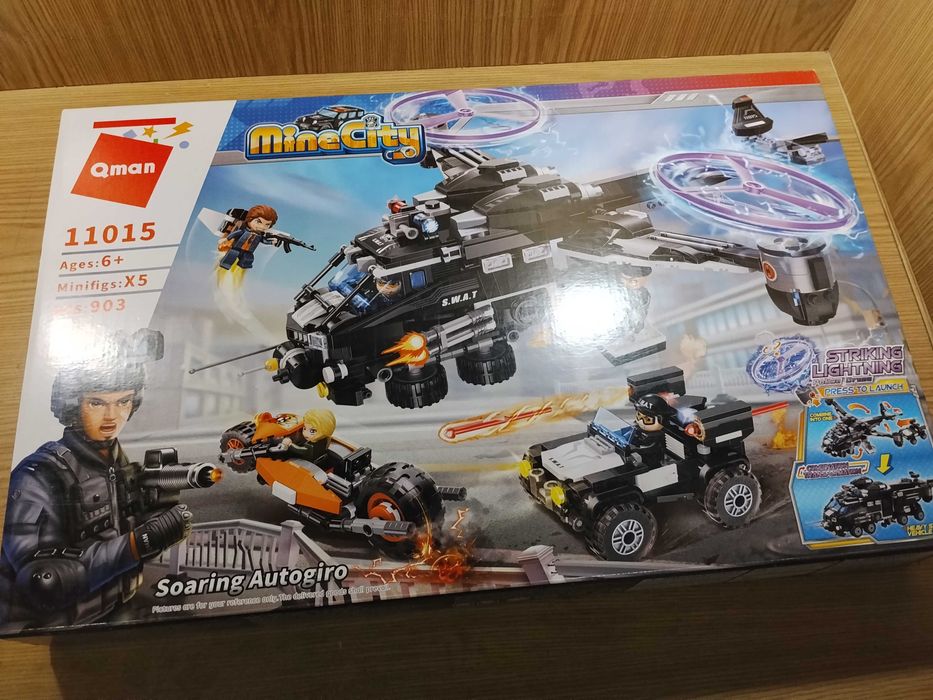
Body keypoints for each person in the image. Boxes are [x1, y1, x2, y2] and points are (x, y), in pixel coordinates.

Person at [0, 332, 193, 631]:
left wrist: (155, 524)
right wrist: (137, 543)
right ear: (71, 405)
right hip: (53, 628)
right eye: (96, 403)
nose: (112, 416)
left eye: (123, 401)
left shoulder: (117, 462)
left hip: (116, 612)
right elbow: (43, 581)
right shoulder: (38, 474)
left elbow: (116, 536)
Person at [217, 204, 278, 270]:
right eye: (258, 222)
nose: (262, 227)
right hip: (236, 248)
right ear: (250, 219)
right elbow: (235, 234)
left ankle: (241, 267)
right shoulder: (243, 231)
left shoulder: (260, 236)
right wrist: (226, 239)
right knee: (231, 256)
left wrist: (272, 242)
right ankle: (225, 265)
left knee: (248, 259)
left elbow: (263, 240)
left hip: (248, 252)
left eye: (267, 224)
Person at [626, 394, 673, 470]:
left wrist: (632, 450)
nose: (641, 421)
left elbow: (651, 448)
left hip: (652, 464)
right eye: (639, 416)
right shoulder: (636, 428)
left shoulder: (659, 436)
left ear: (661, 420)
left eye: (647, 420)